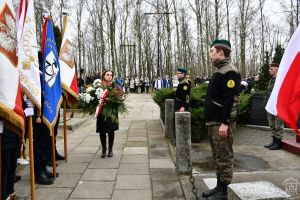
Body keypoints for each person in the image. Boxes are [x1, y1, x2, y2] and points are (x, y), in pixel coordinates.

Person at [203, 39, 241, 200]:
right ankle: (219, 187)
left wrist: (226, 123)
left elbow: (231, 100)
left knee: (224, 157)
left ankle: (224, 191)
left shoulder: (229, 72)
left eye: (212, 51)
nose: (210, 54)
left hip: (221, 123)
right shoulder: (220, 70)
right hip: (214, 122)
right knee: (218, 156)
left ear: (221, 52)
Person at [96, 70, 119, 158]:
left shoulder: (115, 86)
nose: (109, 76)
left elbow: (119, 97)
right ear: (103, 76)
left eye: (111, 75)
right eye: (107, 75)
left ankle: (110, 149)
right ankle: (103, 149)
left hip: (112, 111)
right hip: (102, 111)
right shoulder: (99, 86)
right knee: (102, 131)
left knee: (111, 130)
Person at [264, 63, 284, 150]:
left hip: (278, 106)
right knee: (272, 124)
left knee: (278, 124)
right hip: (270, 105)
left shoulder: (280, 80)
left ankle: (278, 142)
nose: (269, 70)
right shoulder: (271, 80)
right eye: (269, 69)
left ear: (277, 69)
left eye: (271, 69)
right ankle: (274, 141)